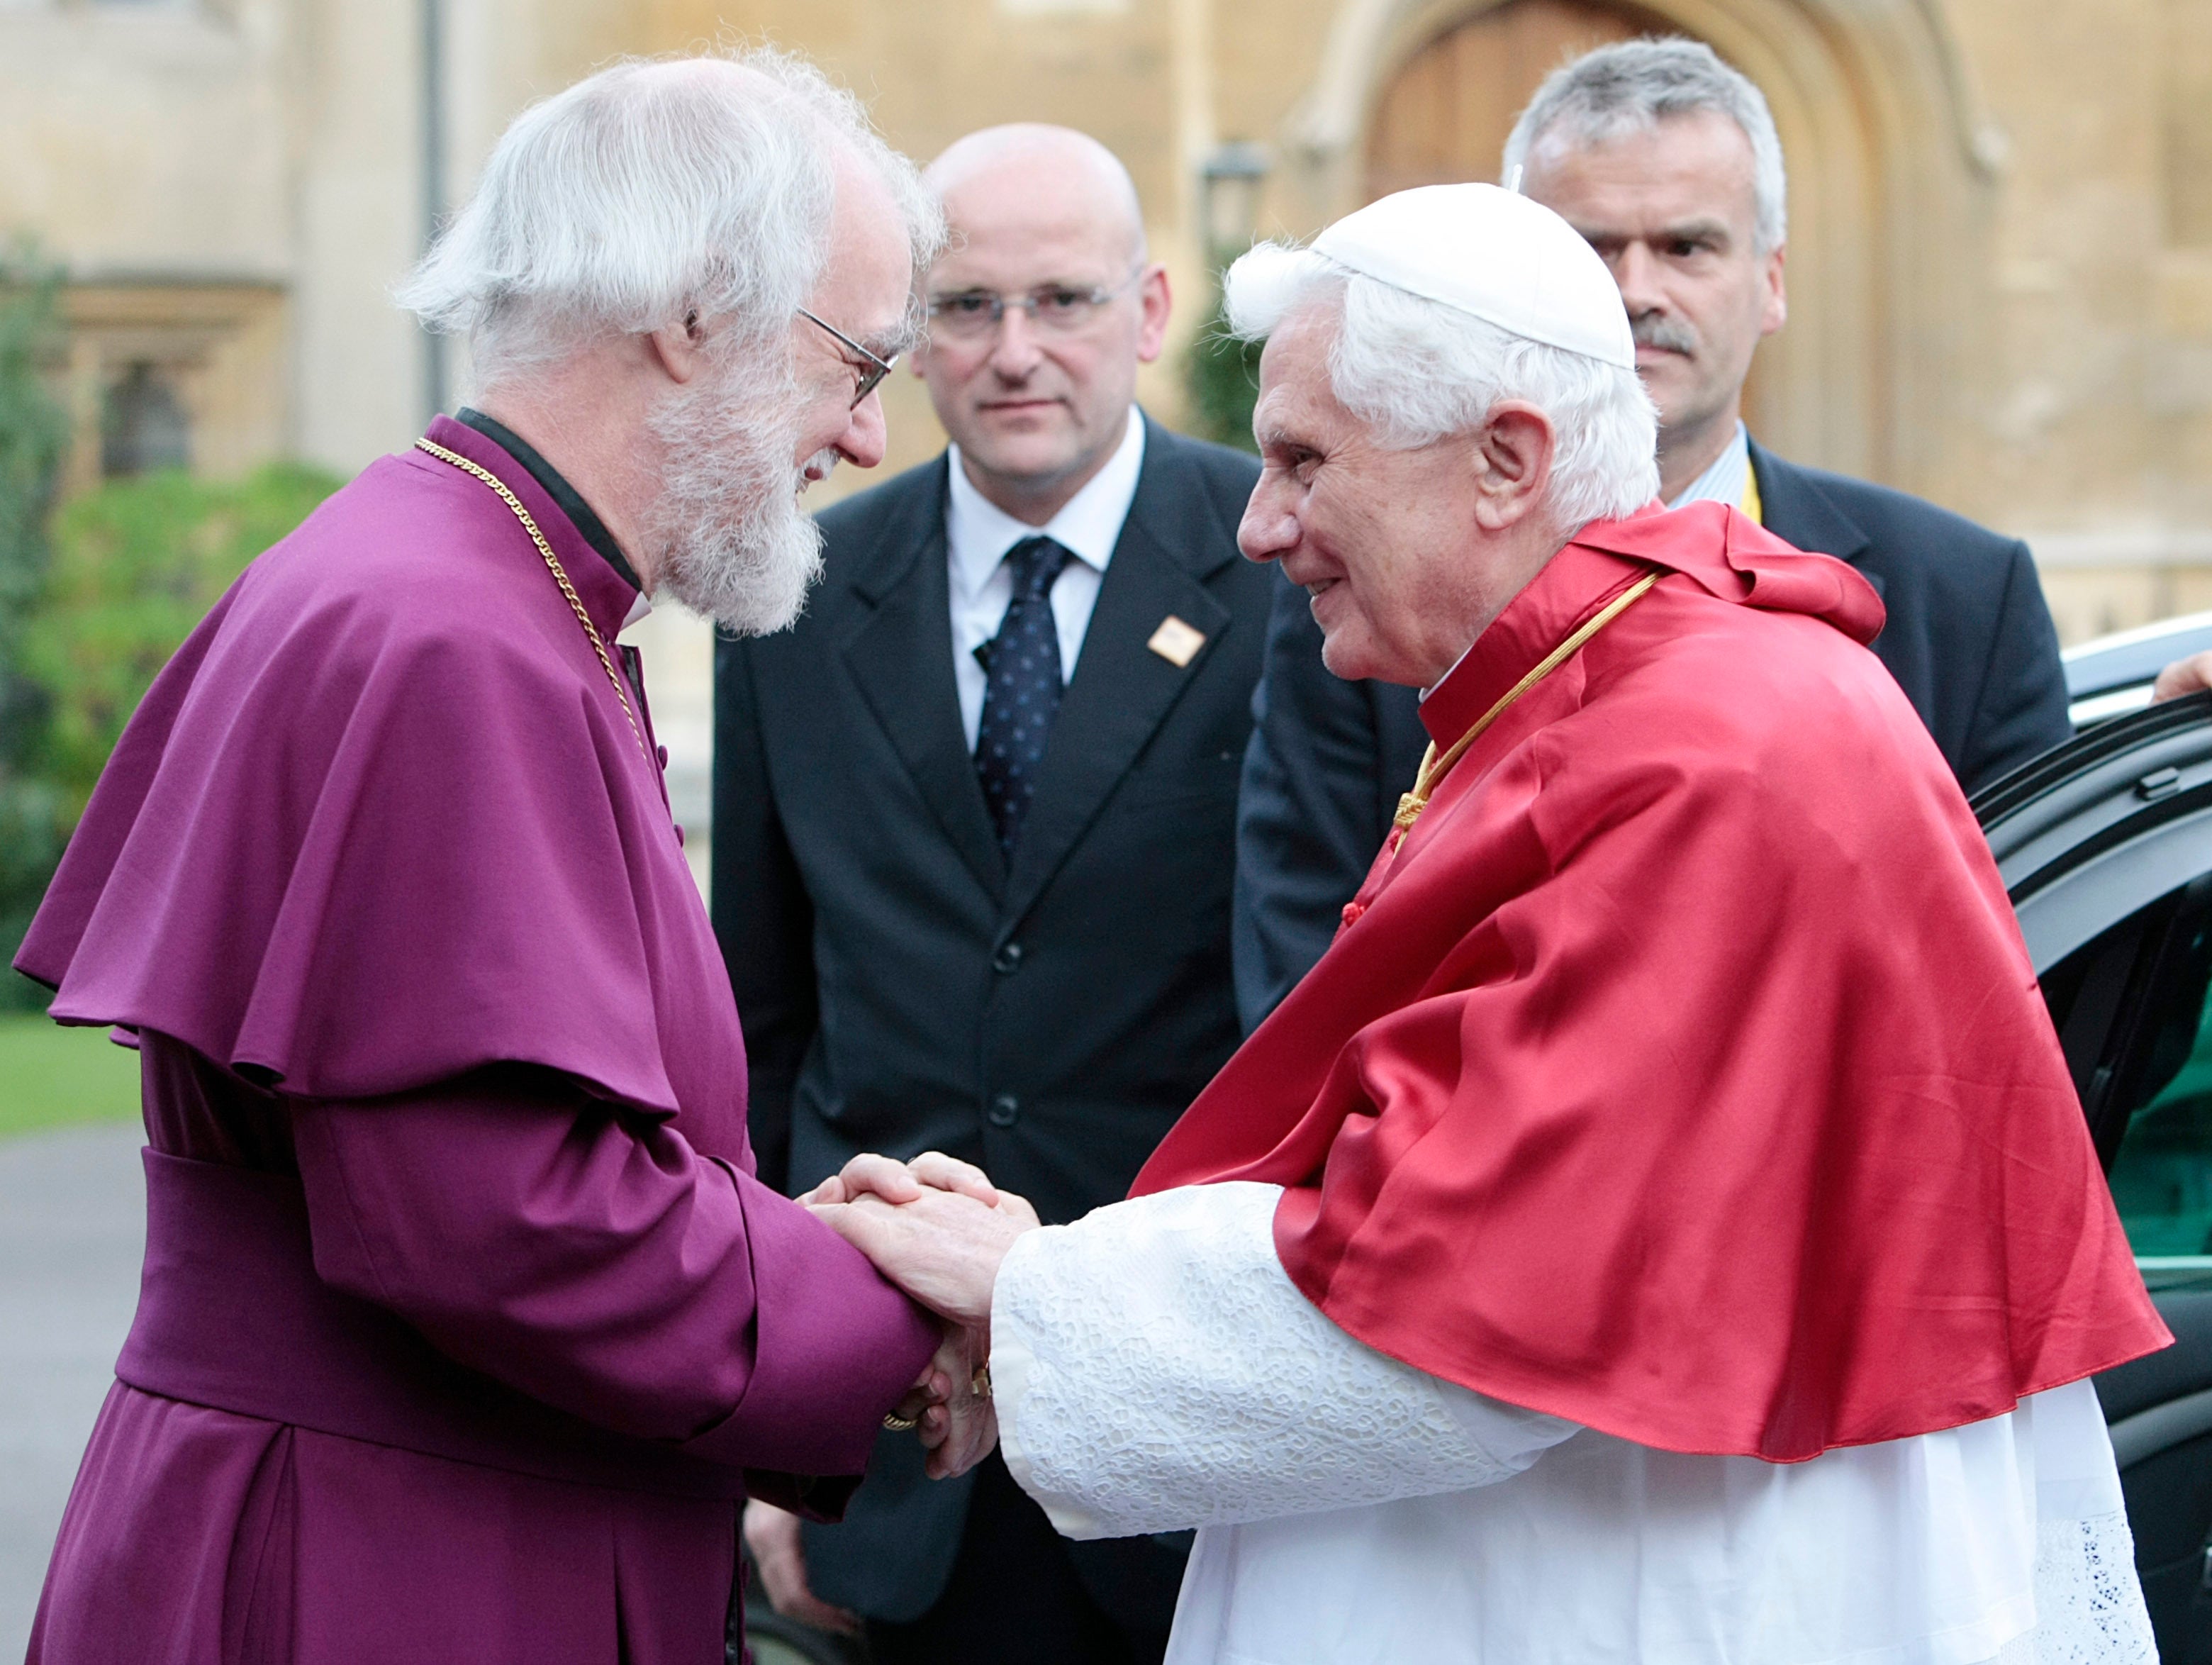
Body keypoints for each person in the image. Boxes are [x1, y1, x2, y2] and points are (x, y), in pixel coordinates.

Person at [801, 183, 2171, 1665]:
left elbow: (1484, 1314)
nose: (1261, 527)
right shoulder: (1610, 689)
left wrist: (1034, 1295)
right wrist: (1044, 1293)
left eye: (1305, 462)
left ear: (1506, 462)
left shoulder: (1703, 754)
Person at [16, 52, 966, 1665]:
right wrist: (900, 1311)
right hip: (386, 1559)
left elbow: (530, 1133)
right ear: (692, 311)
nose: (867, 438)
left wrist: (781, 1245)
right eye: (856, 363)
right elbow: (506, 1221)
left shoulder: (471, 578)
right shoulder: (453, 633)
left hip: (406, 1514)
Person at [713, 124, 1270, 1664]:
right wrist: (768, 1435)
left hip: (1196, 1447)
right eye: (963, 308)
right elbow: (756, 1030)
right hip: (896, 1459)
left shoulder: (1289, 573)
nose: (1015, 352)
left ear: (1152, 311)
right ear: (905, 335)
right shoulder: (791, 595)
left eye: (1065, 300)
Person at [1234, 39, 2075, 1028]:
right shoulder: (1369, 591)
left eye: (1686, 246)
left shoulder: (1965, 600)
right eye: (1588, 251)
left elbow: (2048, 983)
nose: (1635, 292)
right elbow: (1306, 988)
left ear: (1771, 281)